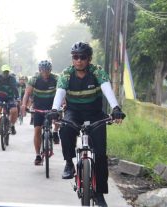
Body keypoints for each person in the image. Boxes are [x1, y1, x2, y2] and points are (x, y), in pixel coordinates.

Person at [52, 42, 126, 206]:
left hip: (95, 114)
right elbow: (60, 93)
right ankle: (69, 163)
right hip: (74, 113)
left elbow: (107, 89)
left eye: (82, 57)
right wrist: (54, 110)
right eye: (75, 57)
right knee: (65, 129)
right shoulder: (66, 74)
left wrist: (115, 108)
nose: (78, 60)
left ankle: (99, 194)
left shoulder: (97, 71)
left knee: (100, 156)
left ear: (89, 59)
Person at [21, 60, 60, 165]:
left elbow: (62, 92)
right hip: (39, 107)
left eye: (47, 70)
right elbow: (27, 94)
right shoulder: (34, 79)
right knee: (37, 130)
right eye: (43, 70)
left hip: (52, 106)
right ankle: (38, 155)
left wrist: (64, 104)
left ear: (50, 70)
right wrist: (24, 105)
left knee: (58, 119)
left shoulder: (56, 78)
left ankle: (55, 132)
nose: (45, 73)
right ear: (39, 70)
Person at [0, 64, 19, 135]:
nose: (6, 74)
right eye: (4, 72)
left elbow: (15, 88)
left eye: (7, 72)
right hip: (0, 97)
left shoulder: (12, 78)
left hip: (10, 97)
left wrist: (17, 97)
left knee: (14, 110)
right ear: (2, 72)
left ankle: (12, 125)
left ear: (9, 72)